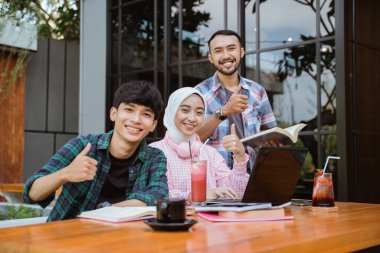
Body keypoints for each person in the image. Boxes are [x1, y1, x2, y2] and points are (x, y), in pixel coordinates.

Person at [23, 80, 168, 221]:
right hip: (67, 237)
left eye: (146, 114)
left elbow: (158, 196)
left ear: (153, 125)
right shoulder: (83, 146)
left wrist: (103, 213)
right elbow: (32, 194)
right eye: (129, 110)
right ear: (113, 114)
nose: (136, 119)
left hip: (122, 240)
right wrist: (65, 173)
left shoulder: (155, 157)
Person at [195, 29, 277, 169]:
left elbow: (271, 136)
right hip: (216, 181)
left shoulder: (257, 91)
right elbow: (192, 139)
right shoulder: (198, 93)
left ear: (242, 52)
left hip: (251, 178)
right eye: (218, 51)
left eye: (231, 48)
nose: (226, 55)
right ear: (211, 58)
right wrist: (223, 112)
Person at [150, 87, 249, 202]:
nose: (192, 118)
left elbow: (236, 193)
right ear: (172, 111)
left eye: (199, 113)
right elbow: (157, 194)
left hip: (210, 219)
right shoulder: (155, 151)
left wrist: (240, 157)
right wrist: (197, 195)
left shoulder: (210, 153)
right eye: (185, 110)